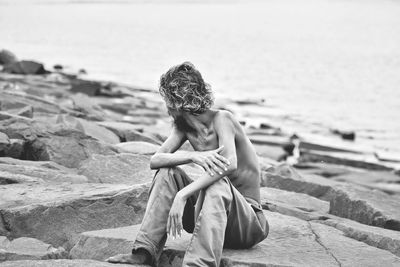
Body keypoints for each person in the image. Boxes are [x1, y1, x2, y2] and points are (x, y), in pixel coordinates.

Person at [106, 62, 269, 267]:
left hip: (247, 224)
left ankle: (198, 264)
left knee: (217, 182)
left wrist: (183, 195)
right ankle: (144, 253)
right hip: (208, 220)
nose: (166, 108)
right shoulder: (183, 128)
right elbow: (156, 160)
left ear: (176, 102)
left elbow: (229, 165)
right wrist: (192, 157)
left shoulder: (222, 119)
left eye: (166, 100)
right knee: (167, 172)